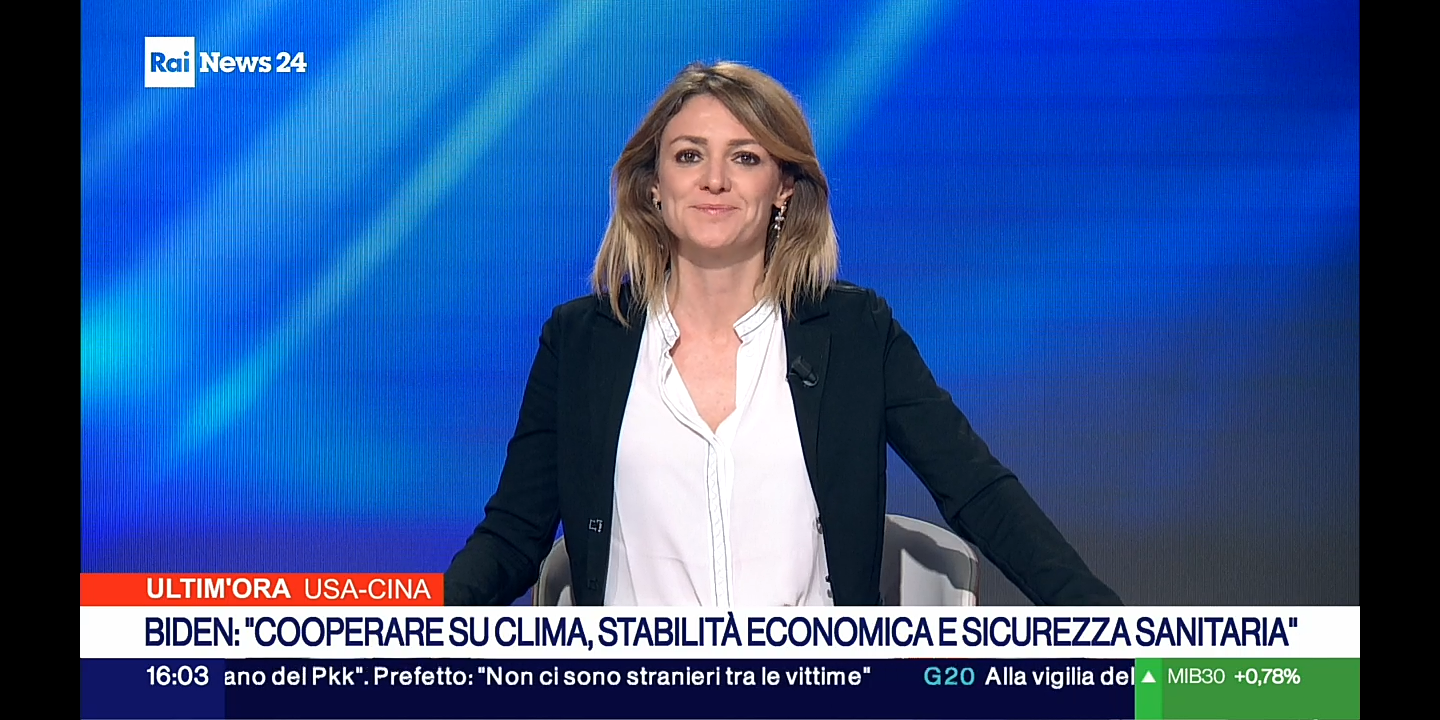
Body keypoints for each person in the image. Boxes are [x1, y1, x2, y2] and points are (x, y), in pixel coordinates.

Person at [444, 61, 1121, 606]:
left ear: (784, 188)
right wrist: (401, 627)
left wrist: (1121, 638)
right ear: (652, 186)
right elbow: (513, 536)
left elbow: (978, 494)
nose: (714, 180)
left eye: (745, 158)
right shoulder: (583, 340)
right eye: (689, 156)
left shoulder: (856, 333)